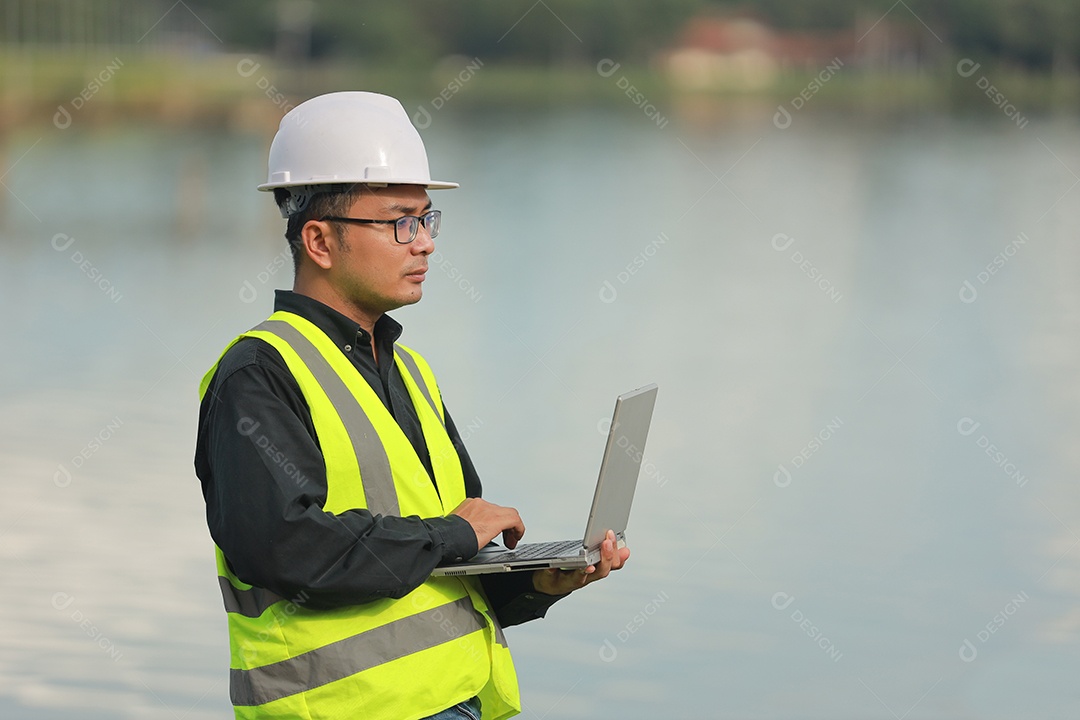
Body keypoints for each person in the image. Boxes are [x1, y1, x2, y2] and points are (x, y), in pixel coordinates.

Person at [194, 91, 630, 720]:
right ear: (319, 241)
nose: (424, 243)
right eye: (400, 222)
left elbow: (440, 569)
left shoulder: (410, 372)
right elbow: (285, 547)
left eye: (428, 220)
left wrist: (537, 582)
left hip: (457, 701)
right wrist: (453, 533)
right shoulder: (258, 373)